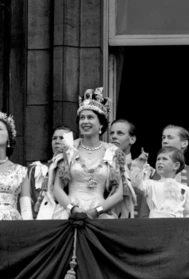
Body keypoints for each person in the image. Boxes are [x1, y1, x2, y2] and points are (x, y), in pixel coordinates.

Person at [45, 87, 134, 219]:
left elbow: (120, 193)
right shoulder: (69, 149)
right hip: (69, 213)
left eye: (90, 117)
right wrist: (73, 209)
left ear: (101, 125)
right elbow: (57, 188)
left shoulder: (113, 152)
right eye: (82, 118)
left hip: (101, 213)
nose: (85, 121)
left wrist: (97, 211)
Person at [139, 125, 189, 216]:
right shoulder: (152, 173)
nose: (165, 141)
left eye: (170, 137)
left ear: (184, 143)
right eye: (163, 137)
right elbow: (145, 208)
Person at [131, 147, 189, 218]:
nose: (160, 161)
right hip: (155, 224)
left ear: (176, 165)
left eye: (164, 159)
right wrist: (139, 165)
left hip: (177, 225)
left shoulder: (185, 189)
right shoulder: (150, 184)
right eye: (158, 159)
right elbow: (134, 183)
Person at [28, 125, 75, 217]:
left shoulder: (77, 168)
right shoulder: (38, 168)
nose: (57, 141)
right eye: (54, 138)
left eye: (62, 138)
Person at [110, 119, 151, 214]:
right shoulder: (103, 165)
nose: (114, 136)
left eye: (120, 133)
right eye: (112, 133)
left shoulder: (145, 169)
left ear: (132, 139)